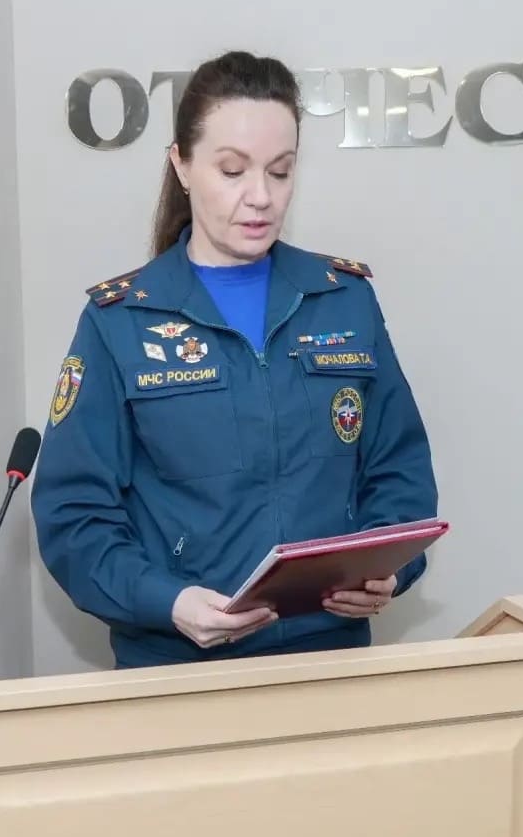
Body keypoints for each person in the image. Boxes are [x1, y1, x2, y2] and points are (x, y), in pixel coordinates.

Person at [30, 50, 438, 669]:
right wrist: (167, 601)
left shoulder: (343, 300)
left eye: (280, 171)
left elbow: (399, 471)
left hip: (329, 660)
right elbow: (73, 516)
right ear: (182, 165)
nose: (261, 197)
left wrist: (389, 568)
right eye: (232, 170)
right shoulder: (120, 320)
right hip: (177, 671)